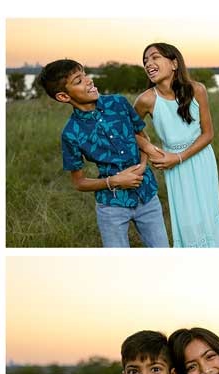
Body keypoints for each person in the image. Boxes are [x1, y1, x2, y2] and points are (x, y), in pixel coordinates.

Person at [37, 59, 169, 248]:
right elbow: (79, 182)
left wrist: (142, 165)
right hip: (111, 207)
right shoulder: (71, 133)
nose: (89, 80)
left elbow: (141, 135)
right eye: (78, 81)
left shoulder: (119, 103)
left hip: (147, 196)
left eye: (85, 74)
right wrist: (114, 181)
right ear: (64, 97)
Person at [134, 42, 219, 248]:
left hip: (201, 158)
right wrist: (149, 149)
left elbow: (208, 134)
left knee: (208, 213)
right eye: (145, 61)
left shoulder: (197, 90)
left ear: (174, 63)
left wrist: (179, 157)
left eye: (155, 57)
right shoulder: (146, 99)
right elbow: (130, 130)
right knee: (187, 218)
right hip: (174, 167)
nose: (148, 63)